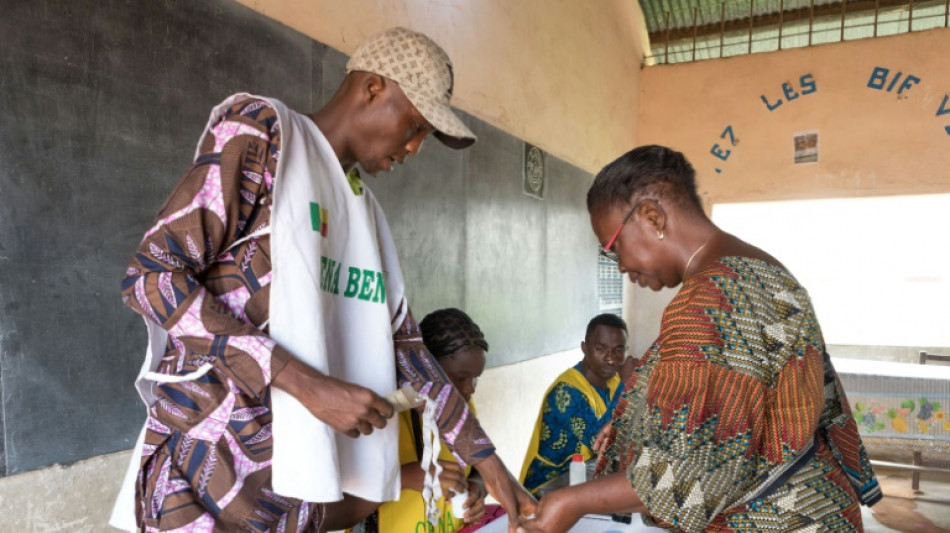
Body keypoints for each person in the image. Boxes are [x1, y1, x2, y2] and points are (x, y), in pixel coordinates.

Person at [110, 27, 533, 533]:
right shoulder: (265, 138)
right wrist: (306, 384)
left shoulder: (363, 209)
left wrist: (491, 466)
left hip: (292, 496)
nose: (417, 148)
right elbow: (152, 276)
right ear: (373, 87)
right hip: (205, 479)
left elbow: (409, 350)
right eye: (416, 125)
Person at [519, 145, 881, 533]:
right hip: (822, 507)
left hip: (773, 520)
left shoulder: (708, 301)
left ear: (652, 217)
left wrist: (570, 501)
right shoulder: (762, 269)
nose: (621, 265)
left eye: (613, 247)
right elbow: (752, 408)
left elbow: (686, 475)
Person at [355, 308, 505, 533]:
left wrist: (477, 488)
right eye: (459, 378)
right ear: (423, 370)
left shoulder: (461, 408)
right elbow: (338, 505)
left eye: (475, 379)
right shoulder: (381, 416)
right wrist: (404, 477)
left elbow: (480, 467)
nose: (468, 390)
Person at [519, 314, 627, 495]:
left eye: (618, 350)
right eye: (601, 349)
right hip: (547, 489)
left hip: (586, 474)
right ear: (585, 348)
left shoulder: (616, 379)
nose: (610, 358)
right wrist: (627, 386)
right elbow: (599, 442)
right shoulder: (565, 392)